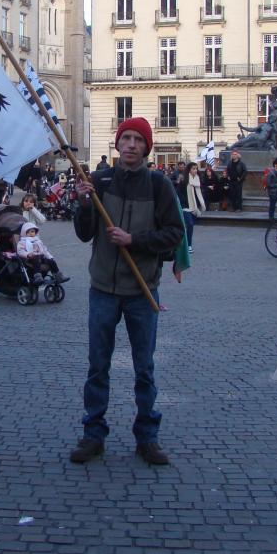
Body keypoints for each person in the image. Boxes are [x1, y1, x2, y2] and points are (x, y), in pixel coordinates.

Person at [70, 116, 183, 466]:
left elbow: (174, 234)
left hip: (142, 291)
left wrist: (134, 240)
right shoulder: (101, 180)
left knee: (144, 368)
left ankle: (147, 437)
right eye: (126, 138)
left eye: (137, 139)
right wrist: (85, 205)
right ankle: (93, 434)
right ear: (117, 144)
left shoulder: (159, 185)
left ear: (147, 147)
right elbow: (85, 234)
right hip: (103, 288)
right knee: (97, 366)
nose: (131, 145)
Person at [176, 161, 205, 253]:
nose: (195, 170)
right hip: (185, 206)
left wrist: (200, 203)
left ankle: (187, 244)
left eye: (196, 168)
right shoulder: (184, 180)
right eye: (193, 168)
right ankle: (188, 245)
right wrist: (182, 204)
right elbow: (179, 193)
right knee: (190, 224)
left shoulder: (198, 179)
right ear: (189, 169)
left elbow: (199, 193)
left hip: (194, 207)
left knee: (190, 226)